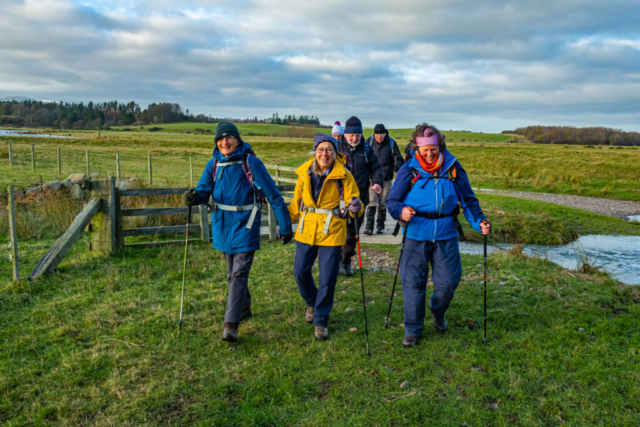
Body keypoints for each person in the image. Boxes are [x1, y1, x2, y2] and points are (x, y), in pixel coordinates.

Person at [182, 122, 293, 343]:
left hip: (246, 223)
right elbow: (204, 191)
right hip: (222, 224)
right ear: (216, 142)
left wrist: (285, 226)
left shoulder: (250, 162)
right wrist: (194, 197)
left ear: (237, 140)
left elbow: (273, 194)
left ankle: (231, 324)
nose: (225, 142)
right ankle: (243, 309)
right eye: (221, 139)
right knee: (231, 273)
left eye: (229, 138)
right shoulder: (213, 164)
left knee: (238, 273)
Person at [386, 123, 491, 347]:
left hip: (446, 235)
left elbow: (468, 201)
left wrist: (479, 221)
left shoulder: (453, 167)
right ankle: (413, 330)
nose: (430, 153)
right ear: (418, 148)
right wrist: (401, 212)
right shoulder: (408, 169)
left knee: (448, 284)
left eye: (433, 148)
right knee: (413, 284)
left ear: (440, 145)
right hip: (415, 234)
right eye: (426, 149)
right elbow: (393, 202)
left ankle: (437, 310)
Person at [289, 133, 363, 341]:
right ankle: (312, 302)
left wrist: (356, 206)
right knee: (300, 272)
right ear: (315, 152)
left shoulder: (344, 175)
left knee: (328, 278)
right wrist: (286, 223)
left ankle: (320, 320)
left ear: (335, 152)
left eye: (329, 150)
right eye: (321, 149)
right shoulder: (304, 173)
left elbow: (353, 199)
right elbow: (296, 202)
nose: (324, 154)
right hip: (307, 228)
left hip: (331, 229)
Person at [337, 116, 384, 276]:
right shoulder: (336, 148)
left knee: (353, 232)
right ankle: (335, 261)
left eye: (358, 135)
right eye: (351, 135)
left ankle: (346, 261)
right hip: (338, 199)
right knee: (337, 230)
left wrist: (377, 182)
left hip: (360, 199)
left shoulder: (366, 149)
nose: (354, 138)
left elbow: (377, 168)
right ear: (345, 135)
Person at [364, 124, 404, 235]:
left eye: (381, 134)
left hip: (386, 178)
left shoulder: (391, 143)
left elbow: (399, 158)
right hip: (372, 177)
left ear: (385, 133)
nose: (379, 137)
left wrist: (397, 167)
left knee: (382, 203)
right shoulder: (369, 142)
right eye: (377, 134)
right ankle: (369, 227)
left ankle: (380, 226)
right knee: (372, 202)